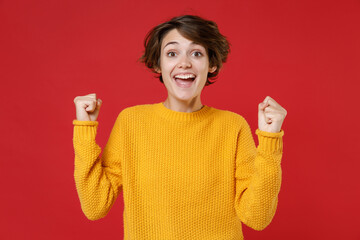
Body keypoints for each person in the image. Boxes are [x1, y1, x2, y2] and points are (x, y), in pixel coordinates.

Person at [72, 15, 287, 240]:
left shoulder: (233, 126)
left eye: (196, 53)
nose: (184, 63)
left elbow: (257, 217)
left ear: (212, 64)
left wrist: (270, 142)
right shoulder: (131, 122)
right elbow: (95, 206)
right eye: (172, 53)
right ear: (158, 63)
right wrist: (84, 129)